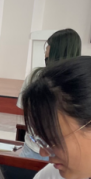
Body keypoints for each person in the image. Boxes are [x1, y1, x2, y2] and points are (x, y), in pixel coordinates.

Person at [17, 28, 82, 161]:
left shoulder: (36, 76)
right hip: (66, 153)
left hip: (34, 149)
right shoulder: (81, 81)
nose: (45, 51)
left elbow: (23, 106)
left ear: (55, 50)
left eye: (48, 47)